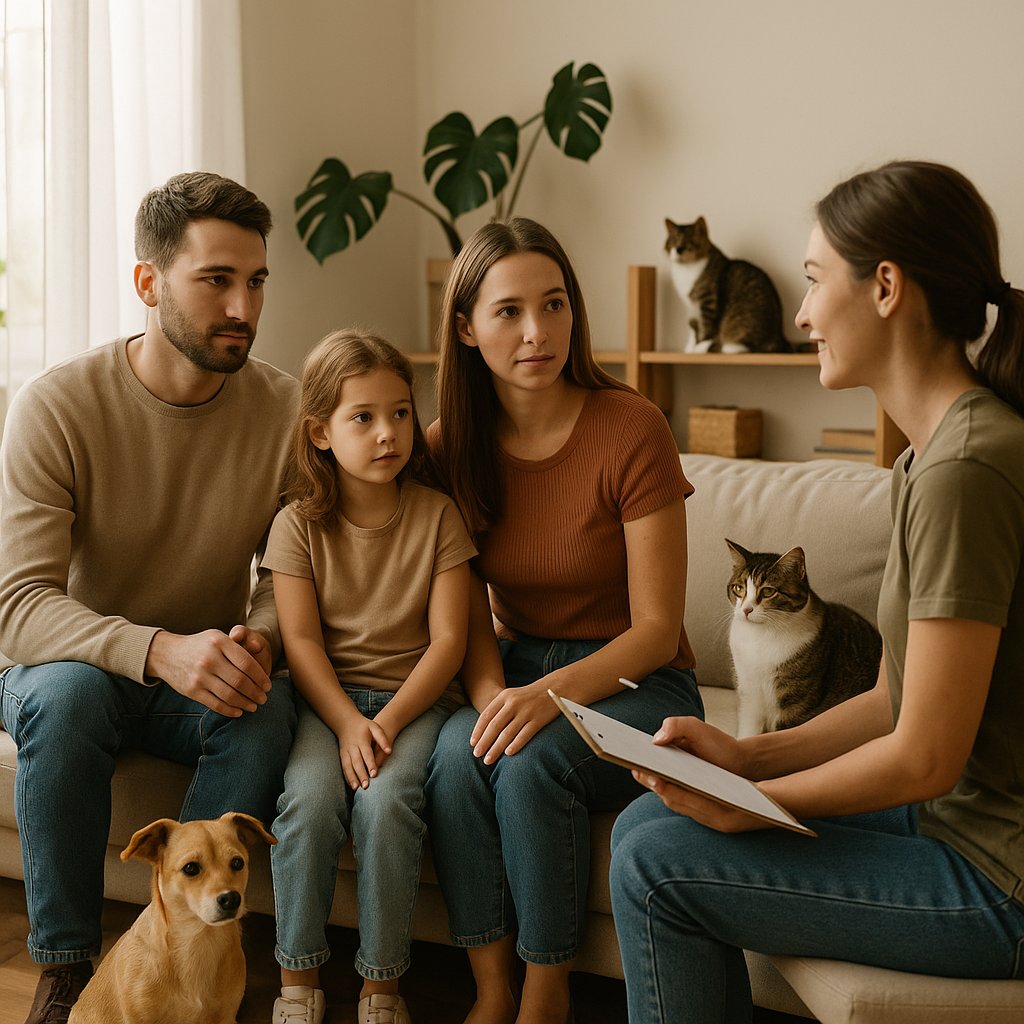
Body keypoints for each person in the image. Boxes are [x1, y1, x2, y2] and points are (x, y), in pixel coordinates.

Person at [609, 160, 1024, 1023]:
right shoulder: (926, 458)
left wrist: (753, 807)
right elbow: (895, 698)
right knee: (643, 827)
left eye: (811, 280)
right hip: (954, 822)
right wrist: (746, 761)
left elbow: (925, 756)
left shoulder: (969, 467)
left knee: (656, 863)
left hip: (1001, 876)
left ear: (886, 288)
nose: (800, 315)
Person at [0, 172, 299, 1024]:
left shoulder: (285, 408)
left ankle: (179, 951)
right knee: (67, 695)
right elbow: (17, 605)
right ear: (148, 282)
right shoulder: (56, 405)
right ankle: (65, 974)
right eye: (216, 281)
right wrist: (158, 648)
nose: (243, 306)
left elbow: (292, 573)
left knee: (264, 705)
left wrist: (259, 638)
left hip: (196, 678)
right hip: (69, 669)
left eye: (256, 281)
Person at [423, 217, 704, 1024]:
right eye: (509, 311)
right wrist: (489, 700)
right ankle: (491, 988)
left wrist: (545, 697)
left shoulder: (632, 427)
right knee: (454, 757)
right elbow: (467, 611)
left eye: (554, 305)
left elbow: (656, 629)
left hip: (642, 681)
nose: (537, 332)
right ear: (466, 328)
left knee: (531, 763)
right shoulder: (448, 447)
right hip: (515, 665)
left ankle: (547, 993)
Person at [263, 331, 476, 1024]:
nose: (389, 433)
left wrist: (383, 722)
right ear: (320, 433)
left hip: (415, 705)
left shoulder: (438, 515)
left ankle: (381, 989)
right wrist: (348, 722)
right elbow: (300, 641)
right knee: (308, 802)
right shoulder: (296, 525)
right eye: (364, 417)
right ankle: (297, 983)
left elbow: (450, 642)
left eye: (401, 413)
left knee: (386, 806)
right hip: (327, 706)